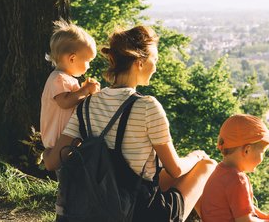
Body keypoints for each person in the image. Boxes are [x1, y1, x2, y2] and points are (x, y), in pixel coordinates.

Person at [43, 25, 216, 221]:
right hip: (139, 212)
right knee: (207, 166)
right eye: (155, 60)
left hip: (98, 207)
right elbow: (175, 169)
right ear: (140, 63)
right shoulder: (148, 106)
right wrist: (196, 156)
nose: (156, 67)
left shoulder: (87, 103)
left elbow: (52, 162)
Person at [40, 19, 100, 218]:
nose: (89, 65)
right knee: (66, 181)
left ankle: (72, 208)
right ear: (72, 58)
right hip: (59, 142)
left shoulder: (67, 79)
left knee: (72, 178)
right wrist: (85, 90)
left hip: (66, 142)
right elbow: (65, 102)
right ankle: (63, 212)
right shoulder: (58, 79)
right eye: (87, 60)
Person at [200, 114, 269, 222]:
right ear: (247, 150)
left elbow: (242, 207)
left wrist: (265, 217)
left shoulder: (220, 172)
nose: (262, 158)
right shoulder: (237, 180)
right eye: (262, 152)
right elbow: (245, 220)